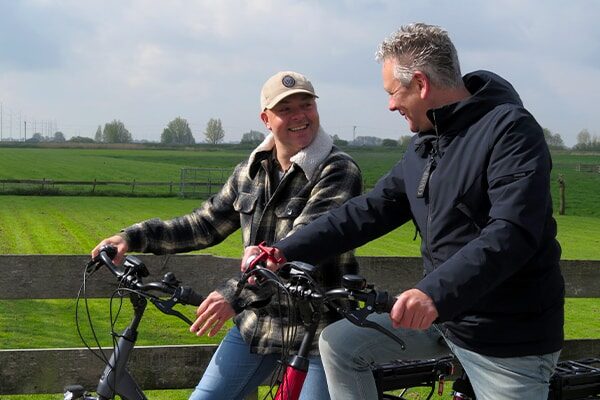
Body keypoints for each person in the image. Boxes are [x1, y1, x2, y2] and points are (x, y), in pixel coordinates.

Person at [242, 23, 564, 400]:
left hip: (506, 336)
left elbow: (511, 233)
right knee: (341, 345)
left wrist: (432, 294)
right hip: (445, 317)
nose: (390, 105)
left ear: (422, 85)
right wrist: (284, 250)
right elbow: (371, 210)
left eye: (393, 92)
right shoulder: (427, 143)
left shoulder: (509, 130)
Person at [91, 70, 362, 400]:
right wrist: (131, 237)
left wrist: (234, 294)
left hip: (319, 332)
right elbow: (203, 225)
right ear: (266, 118)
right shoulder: (250, 172)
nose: (299, 116)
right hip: (257, 326)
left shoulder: (338, 170)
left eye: (306, 105)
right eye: (285, 109)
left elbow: (303, 242)